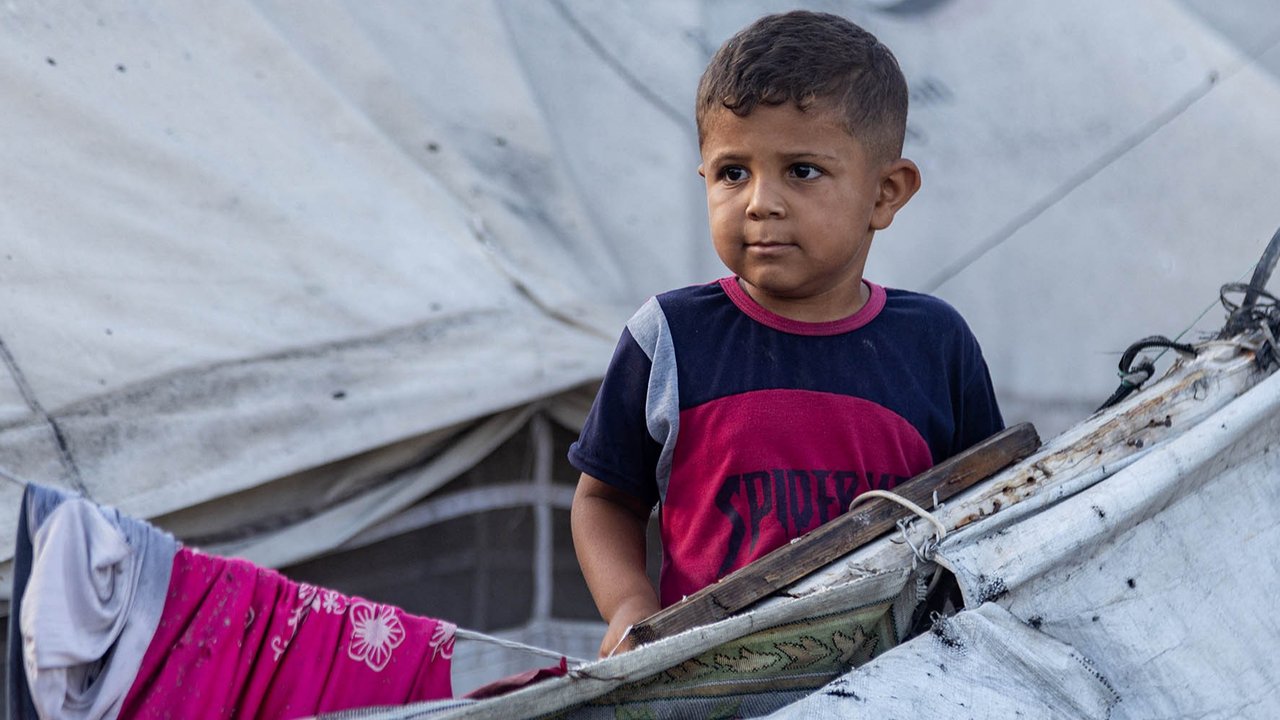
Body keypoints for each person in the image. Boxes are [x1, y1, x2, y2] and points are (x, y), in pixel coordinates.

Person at [568, 10, 1004, 658]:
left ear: (886, 193)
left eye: (801, 171)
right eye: (732, 173)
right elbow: (605, 500)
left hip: (904, 684)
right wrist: (631, 608)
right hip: (711, 685)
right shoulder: (669, 339)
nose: (759, 202)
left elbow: (992, 514)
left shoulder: (936, 345)